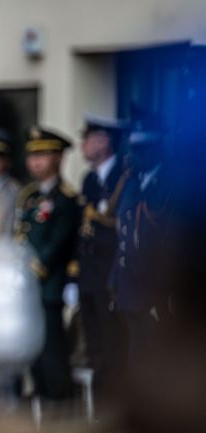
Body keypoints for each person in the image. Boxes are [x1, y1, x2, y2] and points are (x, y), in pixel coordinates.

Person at [15, 126, 82, 401]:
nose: (36, 161)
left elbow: (55, 247)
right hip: (26, 290)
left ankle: (62, 416)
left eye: (43, 154)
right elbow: (20, 236)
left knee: (53, 357)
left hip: (49, 289)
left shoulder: (66, 199)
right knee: (35, 360)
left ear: (59, 158)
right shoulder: (30, 196)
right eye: (33, 155)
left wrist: (28, 271)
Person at [69, 113, 128, 399]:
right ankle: (100, 408)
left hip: (112, 275)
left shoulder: (123, 176)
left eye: (88, 138)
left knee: (113, 344)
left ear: (104, 141)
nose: (83, 144)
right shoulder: (90, 178)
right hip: (89, 274)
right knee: (93, 346)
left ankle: (114, 407)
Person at [110, 129, 172, 366]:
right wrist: (114, 276)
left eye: (140, 150)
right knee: (135, 355)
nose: (133, 157)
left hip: (155, 288)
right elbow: (124, 233)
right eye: (132, 150)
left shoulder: (168, 184)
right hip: (130, 284)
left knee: (157, 356)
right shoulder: (132, 183)